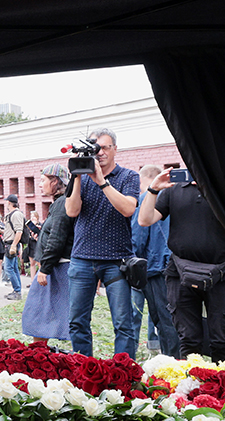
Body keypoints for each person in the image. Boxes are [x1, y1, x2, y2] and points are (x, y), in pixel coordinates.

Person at [140, 168, 225, 363]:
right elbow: (144, 219)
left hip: (221, 273)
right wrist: (153, 189)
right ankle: (190, 389)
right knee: (188, 341)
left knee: (222, 342)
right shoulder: (172, 190)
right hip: (180, 273)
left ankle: (224, 390)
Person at [65, 127, 140, 357]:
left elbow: (128, 209)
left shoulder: (128, 176)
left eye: (105, 148)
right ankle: (83, 371)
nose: (100, 153)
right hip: (82, 259)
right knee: (77, 322)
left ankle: (123, 373)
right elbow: (71, 210)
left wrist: (102, 182)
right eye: (96, 149)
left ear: (115, 149)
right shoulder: (81, 178)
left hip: (116, 260)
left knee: (123, 325)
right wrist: (77, 176)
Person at [131, 165, 180, 358]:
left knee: (163, 319)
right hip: (177, 265)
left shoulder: (145, 200)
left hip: (155, 267)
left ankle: (172, 362)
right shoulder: (176, 198)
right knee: (178, 318)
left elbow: (138, 238)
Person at [22, 164, 74, 342]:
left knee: (39, 316)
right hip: (55, 266)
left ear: (55, 182)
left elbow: (58, 238)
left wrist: (45, 269)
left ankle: (40, 356)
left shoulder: (61, 204)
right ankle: (41, 355)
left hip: (57, 268)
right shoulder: (59, 203)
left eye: (43, 180)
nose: (39, 184)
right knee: (42, 316)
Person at [2, 195, 26, 300]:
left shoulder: (16, 214)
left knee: (8, 268)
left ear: (9, 202)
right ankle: (17, 290)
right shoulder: (13, 214)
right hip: (11, 243)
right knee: (14, 268)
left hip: (12, 244)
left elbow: (19, 231)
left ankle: (17, 291)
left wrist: (13, 245)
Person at [24, 210, 42, 281]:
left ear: (37, 217)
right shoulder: (29, 227)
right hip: (31, 245)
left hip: (37, 245)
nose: (32, 218)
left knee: (39, 263)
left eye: (34, 216)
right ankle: (32, 281)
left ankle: (39, 280)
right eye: (31, 217)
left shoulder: (40, 225)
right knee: (32, 263)